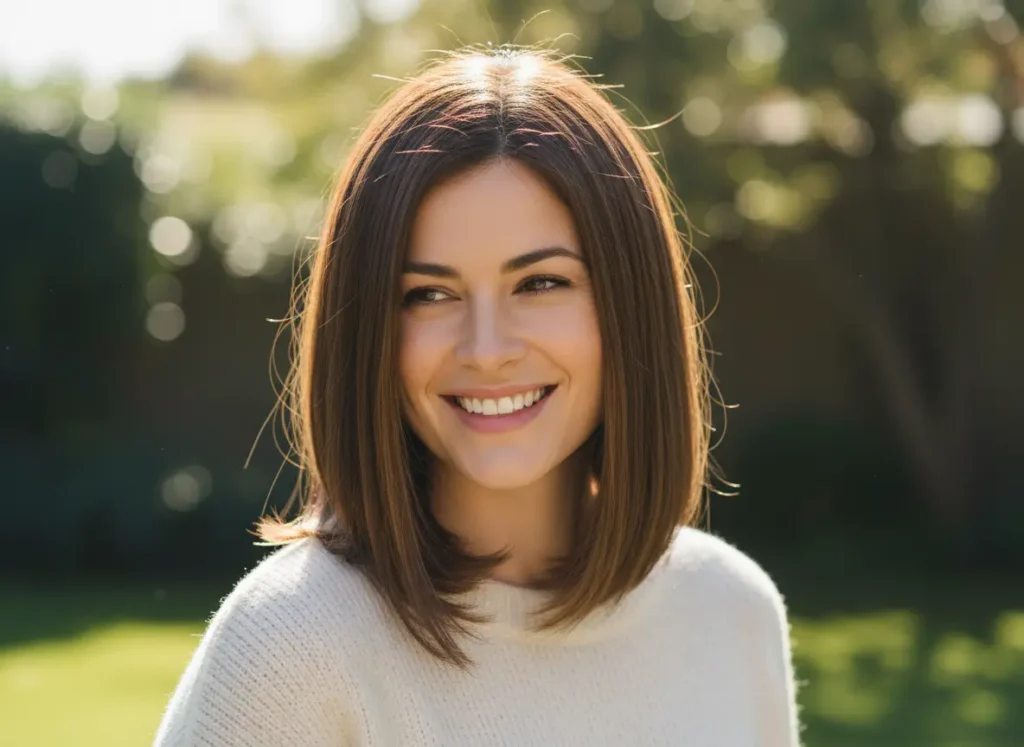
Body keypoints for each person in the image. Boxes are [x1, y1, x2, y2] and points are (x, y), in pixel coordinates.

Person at [154, 45, 801, 746]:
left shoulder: (732, 614)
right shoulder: (293, 647)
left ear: (631, 307)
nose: (487, 349)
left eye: (540, 283)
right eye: (429, 294)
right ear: (368, 330)